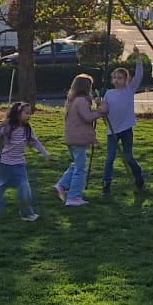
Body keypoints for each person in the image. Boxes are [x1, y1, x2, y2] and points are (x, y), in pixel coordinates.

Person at [0, 101, 50, 223]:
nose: (29, 116)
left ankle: (27, 213)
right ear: (17, 114)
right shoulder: (8, 127)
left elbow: (35, 142)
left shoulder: (27, 129)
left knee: (25, 189)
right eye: (26, 113)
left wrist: (45, 154)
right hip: (4, 165)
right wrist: (0, 125)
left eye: (29, 113)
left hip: (19, 166)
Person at [101, 57, 149, 196]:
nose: (117, 80)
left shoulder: (129, 90)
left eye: (120, 78)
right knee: (110, 158)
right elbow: (104, 110)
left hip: (126, 129)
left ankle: (139, 180)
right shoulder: (109, 93)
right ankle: (106, 184)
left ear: (126, 80)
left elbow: (139, 74)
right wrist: (100, 105)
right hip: (112, 131)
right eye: (114, 77)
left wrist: (138, 58)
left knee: (128, 157)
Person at [57, 73, 99, 206]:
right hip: (78, 139)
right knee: (80, 169)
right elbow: (87, 117)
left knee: (76, 163)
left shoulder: (73, 100)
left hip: (71, 137)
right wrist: (101, 111)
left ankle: (63, 184)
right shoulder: (81, 100)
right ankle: (74, 197)